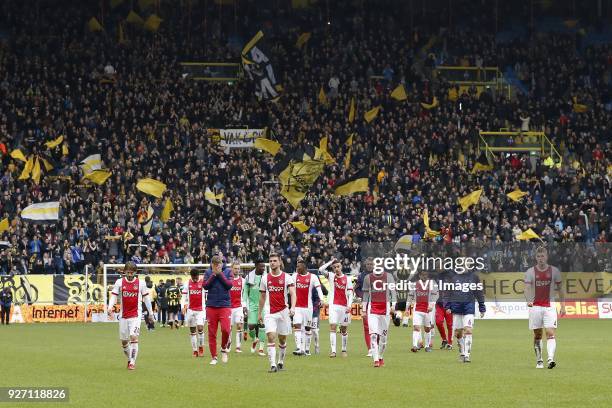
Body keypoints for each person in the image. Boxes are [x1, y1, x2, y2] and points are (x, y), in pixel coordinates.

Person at [524, 246, 566, 369]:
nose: (541, 258)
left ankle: (550, 359)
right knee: (537, 335)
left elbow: (560, 289)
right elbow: (526, 288)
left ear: (547, 257)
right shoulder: (530, 272)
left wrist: (563, 305)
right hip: (535, 307)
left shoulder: (555, 271)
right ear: (535, 258)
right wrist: (528, 300)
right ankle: (539, 360)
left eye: (543, 256)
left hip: (550, 306)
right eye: (538, 256)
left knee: (550, 332)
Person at [107, 261, 154, 370]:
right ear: (124, 272)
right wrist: (110, 307)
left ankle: (132, 362)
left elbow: (146, 299)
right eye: (128, 272)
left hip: (135, 315)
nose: (129, 274)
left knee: (133, 336)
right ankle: (129, 359)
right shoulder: (119, 282)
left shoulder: (141, 283)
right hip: (123, 315)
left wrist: (151, 313)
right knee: (124, 341)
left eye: (131, 273)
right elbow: (114, 296)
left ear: (135, 272)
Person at [258, 253, 296, 373]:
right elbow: (263, 297)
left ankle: (280, 361)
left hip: (283, 311)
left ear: (280, 262)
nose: (272, 263)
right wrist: (259, 313)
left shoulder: (287, 277)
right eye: (270, 261)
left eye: (275, 261)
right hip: (269, 311)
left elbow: (293, 293)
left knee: (282, 339)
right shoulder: (265, 278)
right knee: (271, 336)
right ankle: (273, 365)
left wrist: (293, 307)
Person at [446, 268, 486, 363]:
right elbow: (447, 293)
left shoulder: (474, 277)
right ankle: (462, 353)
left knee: (468, 330)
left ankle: (467, 355)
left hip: (469, 307)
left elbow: (479, 292)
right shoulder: (453, 277)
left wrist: (482, 307)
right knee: (458, 333)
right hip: (456, 308)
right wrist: (447, 306)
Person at [361, 264, 397, 367]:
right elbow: (366, 295)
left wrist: (393, 305)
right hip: (372, 310)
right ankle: (376, 360)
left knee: (383, 339)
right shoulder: (368, 278)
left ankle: (381, 357)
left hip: (385, 310)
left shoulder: (388, 276)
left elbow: (393, 292)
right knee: (373, 335)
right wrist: (364, 310)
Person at [319, 257, 354, 358]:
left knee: (343, 329)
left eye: (338, 266)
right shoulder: (331, 276)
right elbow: (321, 270)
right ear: (333, 268)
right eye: (334, 267)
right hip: (334, 306)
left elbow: (350, 293)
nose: (337, 269)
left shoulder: (347, 279)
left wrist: (349, 305)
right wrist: (330, 262)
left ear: (341, 266)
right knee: (333, 327)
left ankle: (343, 350)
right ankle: (333, 351)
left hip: (344, 307)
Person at [203, 255, 233, 365]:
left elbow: (229, 285)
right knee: (212, 333)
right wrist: (213, 275)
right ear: (212, 264)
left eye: (218, 264)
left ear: (221, 264)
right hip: (211, 306)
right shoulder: (208, 272)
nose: (216, 266)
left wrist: (219, 274)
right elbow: (205, 286)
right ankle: (214, 357)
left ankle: (224, 347)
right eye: (214, 265)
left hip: (225, 305)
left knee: (226, 330)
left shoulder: (228, 271)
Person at [292, 259, 324, 356]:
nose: (297, 268)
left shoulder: (313, 277)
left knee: (307, 328)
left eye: (299, 266)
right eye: (296, 266)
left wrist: (322, 299)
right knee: (297, 326)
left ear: (305, 267)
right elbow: (288, 288)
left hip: (308, 307)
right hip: (297, 307)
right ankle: (299, 348)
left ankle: (306, 349)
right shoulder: (294, 276)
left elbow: (319, 289)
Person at [408, 271, 438, 353]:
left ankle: (427, 346)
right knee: (416, 327)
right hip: (417, 310)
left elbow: (435, 295)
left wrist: (432, 305)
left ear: (428, 275)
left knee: (427, 329)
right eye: (422, 274)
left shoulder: (432, 284)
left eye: (426, 274)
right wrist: (407, 307)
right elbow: (410, 295)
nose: (424, 276)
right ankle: (414, 345)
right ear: (419, 275)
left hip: (428, 310)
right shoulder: (415, 284)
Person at [181, 269, 206, 357]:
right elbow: (183, 297)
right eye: (193, 278)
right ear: (191, 276)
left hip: (201, 310)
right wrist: (182, 307)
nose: (195, 279)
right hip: (190, 310)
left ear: (198, 275)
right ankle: (195, 350)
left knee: (200, 328)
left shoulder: (203, 282)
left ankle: (201, 348)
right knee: (192, 331)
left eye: (196, 278)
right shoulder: (187, 283)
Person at [245, 258, 267, 356]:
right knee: (251, 325)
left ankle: (261, 349)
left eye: (264, 266)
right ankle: (254, 339)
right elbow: (245, 291)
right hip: (252, 304)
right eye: (261, 266)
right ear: (256, 266)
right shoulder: (249, 276)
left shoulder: (266, 277)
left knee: (262, 325)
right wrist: (244, 305)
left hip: (263, 305)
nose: (263, 268)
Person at [355, 257, 374, 356]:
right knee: (366, 327)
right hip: (365, 303)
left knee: (376, 327)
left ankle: (376, 346)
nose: (370, 266)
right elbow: (357, 288)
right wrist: (362, 295)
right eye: (368, 264)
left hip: (377, 303)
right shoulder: (361, 276)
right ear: (365, 265)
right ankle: (370, 349)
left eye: (371, 264)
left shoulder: (379, 275)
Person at [304, 272, 327, 355]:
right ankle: (306, 349)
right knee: (306, 329)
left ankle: (317, 345)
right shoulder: (307, 285)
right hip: (307, 309)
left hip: (315, 310)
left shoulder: (319, 286)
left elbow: (326, 292)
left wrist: (320, 301)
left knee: (315, 330)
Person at [229, 261, 247, 353]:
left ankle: (238, 347)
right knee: (228, 328)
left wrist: (245, 306)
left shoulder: (243, 281)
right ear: (231, 268)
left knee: (239, 326)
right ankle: (228, 344)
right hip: (228, 308)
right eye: (235, 268)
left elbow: (244, 295)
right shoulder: (228, 280)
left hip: (239, 307)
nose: (237, 270)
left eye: (238, 269)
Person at [435, 269, 453, 349]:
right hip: (439, 305)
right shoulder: (437, 280)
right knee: (438, 322)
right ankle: (444, 339)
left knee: (450, 325)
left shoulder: (453, 284)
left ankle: (450, 343)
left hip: (449, 306)